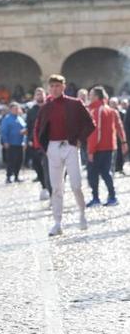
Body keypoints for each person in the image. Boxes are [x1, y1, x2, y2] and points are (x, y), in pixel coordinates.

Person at [35, 74, 95, 237]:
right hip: (53, 147)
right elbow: (38, 128)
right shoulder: (46, 107)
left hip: (70, 145)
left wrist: (79, 140)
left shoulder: (75, 104)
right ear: (49, 88)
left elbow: (90, 124)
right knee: (56, 187)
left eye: (57, 86)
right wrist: (44, 147)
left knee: (76, 184)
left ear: (63, 87)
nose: (54, 89)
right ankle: (57, 222)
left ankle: (82, 213)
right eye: (52, 86)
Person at [86, 86, 127, 207]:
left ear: (97, 96)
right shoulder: (112, 110)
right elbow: (120, 127)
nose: (89, 97)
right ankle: (112, 196)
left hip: (99, 147)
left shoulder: (96, 111)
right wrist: (123, 142)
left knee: (93, 173)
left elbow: (95, 132)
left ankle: (96, 198)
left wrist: (91, 150)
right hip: (110, 147)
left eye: (91, 94)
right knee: (106, 172)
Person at [26, 88, 51, 200]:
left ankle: (53, 186)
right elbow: (29, 126)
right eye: (37, 94)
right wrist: (30, 139)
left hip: (50, 141)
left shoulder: (50, 108)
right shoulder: (32, 111)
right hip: (36, 141)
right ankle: (44, 185)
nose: (39, 96)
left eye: (41, 93)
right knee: (38, 165)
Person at [0, 102, 27, 183]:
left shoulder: (20, 119)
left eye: (17, 109)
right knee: (11, 160)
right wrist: (5, 141)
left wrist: (25, 141)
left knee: (19, 160)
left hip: (20, 143)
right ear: (10, 109)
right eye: (14, 109)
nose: (16, 110)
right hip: (11, 143)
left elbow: (25, 130)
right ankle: (8, 176)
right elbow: (3, 131)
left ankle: (16, 175)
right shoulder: (7, 119)